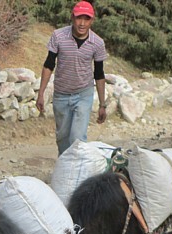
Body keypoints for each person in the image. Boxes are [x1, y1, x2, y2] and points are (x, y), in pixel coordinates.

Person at [36, 1, 108, 156]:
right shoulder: (59, 36)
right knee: (62, 138)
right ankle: (65, 168)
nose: (82, 23)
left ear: (92, 20)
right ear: (72, 18)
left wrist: (102, 104)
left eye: (86, 19)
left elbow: (99, 74)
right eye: (78, 18)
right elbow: (49, 64)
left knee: (77, 138)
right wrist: (41, 93)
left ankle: (78, 173)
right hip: (61, 95)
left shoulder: (97, 43)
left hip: (83, 94)